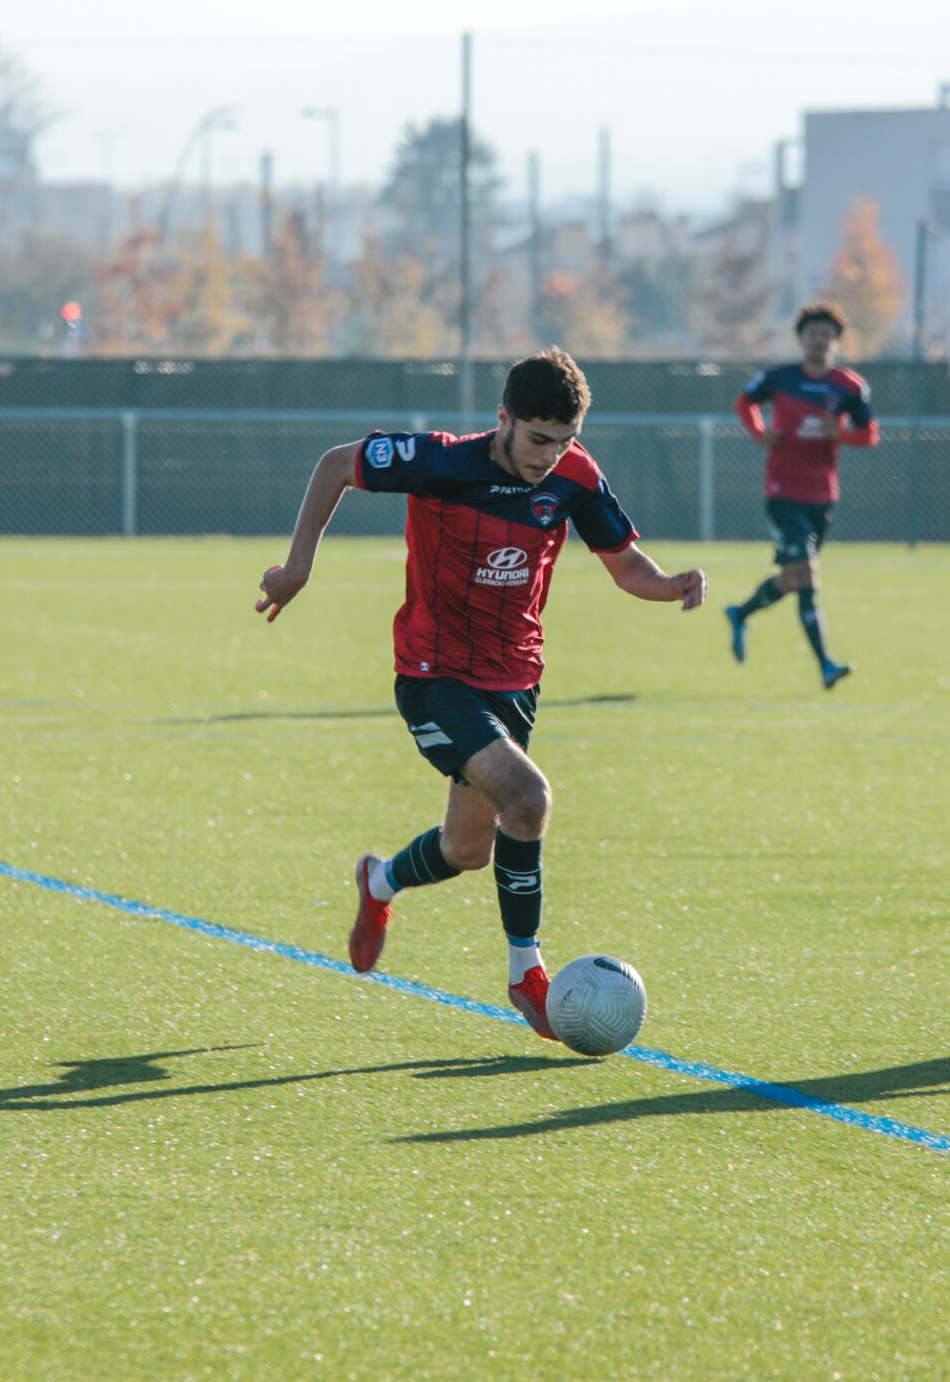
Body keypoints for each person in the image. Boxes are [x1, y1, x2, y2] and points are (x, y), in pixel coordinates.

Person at [254, 349, 705, 1037]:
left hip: (516, 680)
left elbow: (625, 566)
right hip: (434, 674)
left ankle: (379, 880)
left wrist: (671, 585)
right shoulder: (440, 461)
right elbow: (336, 464)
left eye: (564, 441)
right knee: (528, 798)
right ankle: (527, 973)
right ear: (503, 418)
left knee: (468, 849)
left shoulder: (576, 477)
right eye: (538, 439)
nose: (550, 456)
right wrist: (298, 566)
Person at [725, 303, 878, 688]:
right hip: (783, 491)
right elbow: (744, 403)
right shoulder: (779, 378)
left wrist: (839, 434)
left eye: (826, 334)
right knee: (807, 577)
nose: (819, 340)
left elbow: (870, 434)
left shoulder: (849, 386)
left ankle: (740, 613)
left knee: (792, 578)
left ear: (836, 341)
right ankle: (826, 665)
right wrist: (759, 433)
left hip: (823, 495)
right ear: (801, 338)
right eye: (813, 333)